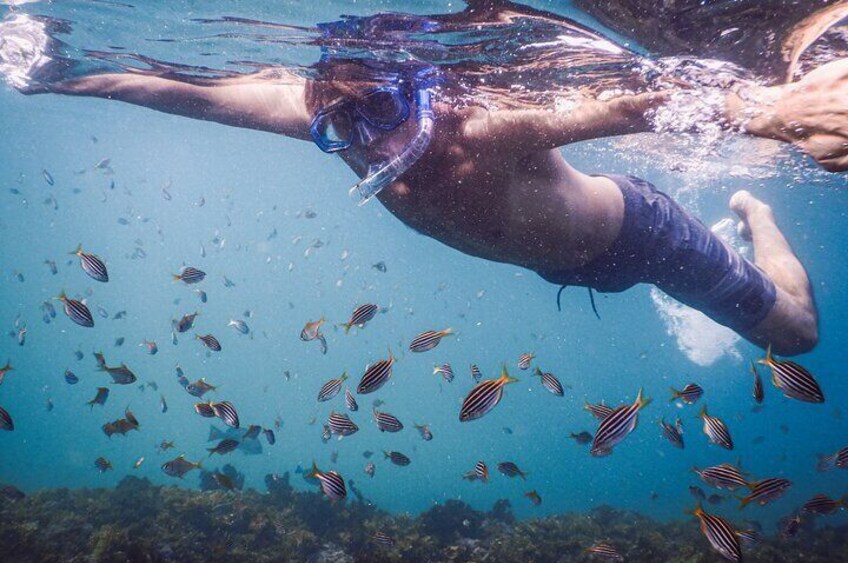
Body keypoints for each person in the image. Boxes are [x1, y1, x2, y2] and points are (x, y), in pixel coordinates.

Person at [3, 3, 845, 355]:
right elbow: (187, 94)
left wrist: (776, 114)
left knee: (797, 334)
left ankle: (750, 207)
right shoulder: (334, 117)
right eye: (345, 129)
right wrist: (64, 73)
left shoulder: (487, 124)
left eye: (383, 112)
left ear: (421, 91)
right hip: (563, 263)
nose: (370, 144)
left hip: (638, 234)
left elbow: (643, 99)